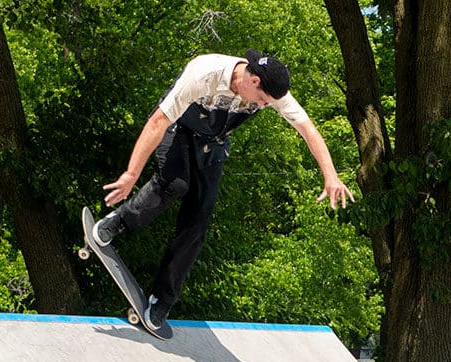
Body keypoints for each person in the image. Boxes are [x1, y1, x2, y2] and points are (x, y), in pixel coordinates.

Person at [89, 51, 351, 335]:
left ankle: (162, 299)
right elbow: (158, 122)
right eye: (262, 101)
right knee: (175, 183)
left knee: (199, 218)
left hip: (211, 142)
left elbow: (307, 129)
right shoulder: (204, 73)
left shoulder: (274, 90)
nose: (262, 106)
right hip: (176, 127)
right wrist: (130, 174)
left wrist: (331, 176)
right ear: (253, 80)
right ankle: (118, 222)